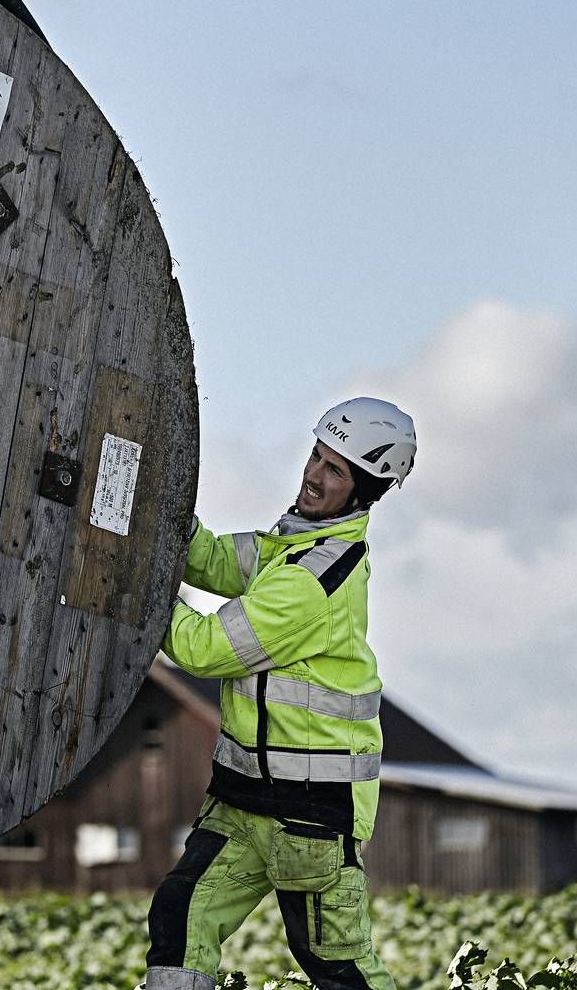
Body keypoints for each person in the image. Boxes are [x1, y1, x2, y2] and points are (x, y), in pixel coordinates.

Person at [143, 398, 417, 990]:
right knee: (180, 917)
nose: (314, 474)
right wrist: (155, 518)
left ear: (365, 491)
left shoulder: (313, 579)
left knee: (334, 962)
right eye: (317, 454)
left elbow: (202, 649)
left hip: (309, 814)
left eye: (336, 469)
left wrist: (133, 592)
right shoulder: (290, 547)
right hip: (244, 801)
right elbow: (213, 558)